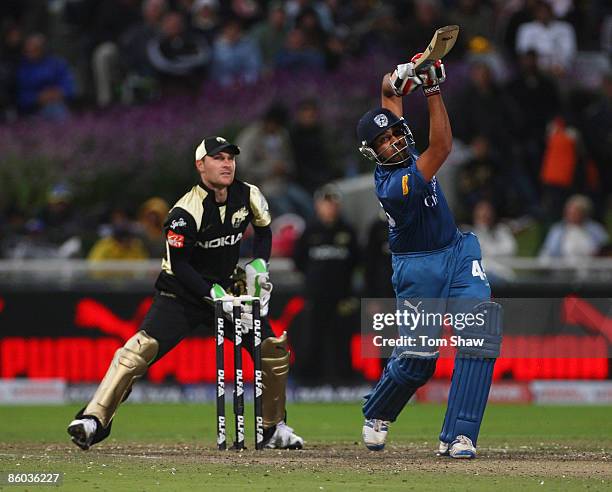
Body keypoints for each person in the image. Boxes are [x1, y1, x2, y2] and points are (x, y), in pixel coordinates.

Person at [67, 136, 304, 451]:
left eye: (230, 158)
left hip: (229, 289)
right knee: (137, 350)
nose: (226, 164)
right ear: (200, 165)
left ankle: (273, 429)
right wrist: (211, 293)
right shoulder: (184, 212)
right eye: (218, 158)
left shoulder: (248, 195)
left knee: (272, 351)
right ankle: (94, 420)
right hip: (181, 294)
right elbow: (179, 265)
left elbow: (263, 231)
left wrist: (258, 265)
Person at [356, 51, 502, 459]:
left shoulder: (399, 135)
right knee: (420, 360)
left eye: (396, 134)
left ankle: (459, 436)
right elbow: (442, 146)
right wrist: (433, 87)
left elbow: (388, 92)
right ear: (372, 153)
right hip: (418, 268)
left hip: (456, 251)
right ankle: (379, 411)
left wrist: (401, 76)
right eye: (383, 142)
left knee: (480, 335)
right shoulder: (394, 186)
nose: (394, 142)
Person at [292, 184, 360, 385]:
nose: (330, 207)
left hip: (342, 297)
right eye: (326, 203)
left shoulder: (348, 231)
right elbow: (298, 260)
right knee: (312, 337)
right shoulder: (310, 231)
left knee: (342, 339)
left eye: (333, 203)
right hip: (315, 295)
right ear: (318, 205)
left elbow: (356, 261)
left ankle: (344, 379)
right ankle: (309, 379)